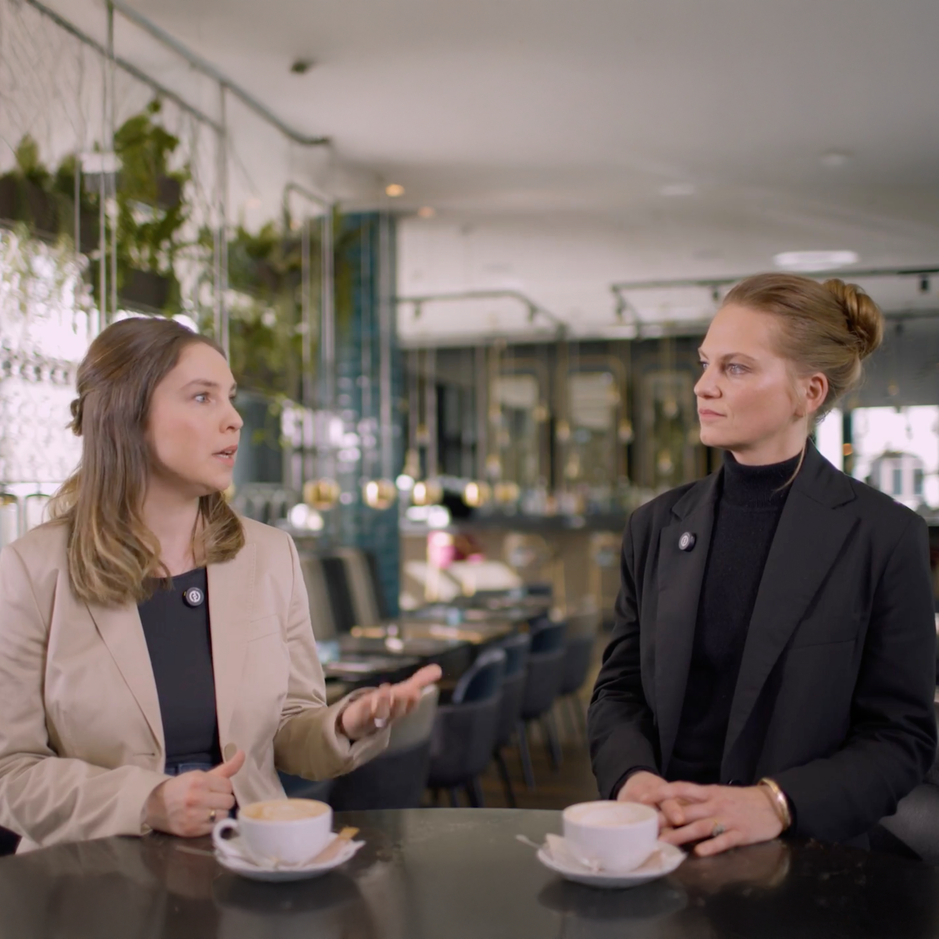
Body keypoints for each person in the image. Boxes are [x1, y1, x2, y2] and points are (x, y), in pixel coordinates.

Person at [0, 317, 441, 852]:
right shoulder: (29, 570)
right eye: (202, 398)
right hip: (89, 886)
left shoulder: (271, 555)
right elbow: (11, 771)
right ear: (126, 416)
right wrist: (146, 800)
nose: (234, 419)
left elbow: (287, 729)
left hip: (252, 871)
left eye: (229, 398)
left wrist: (347, 723)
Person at [588, 273, 937, 856]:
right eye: (705, 363)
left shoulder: (884, 535)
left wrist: (776, 802)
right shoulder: (654, 527)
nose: (702, 386)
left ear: (810, 393)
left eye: (735, 367)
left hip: (808, 861)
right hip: (664, 850)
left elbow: (900, 738)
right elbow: (619, 691)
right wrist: (631, 778)